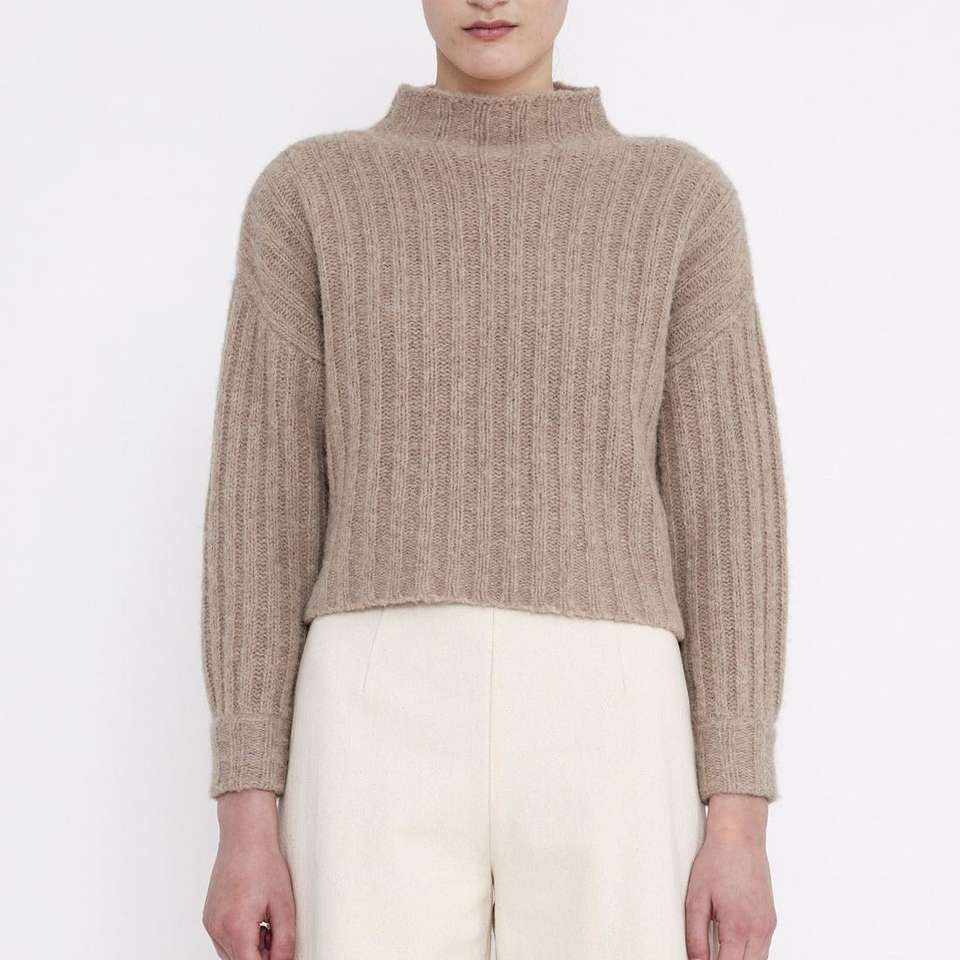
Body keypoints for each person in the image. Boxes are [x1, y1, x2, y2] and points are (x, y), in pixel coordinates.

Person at [199, 1, 788, 958]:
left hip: (613, 713)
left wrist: (739, 821)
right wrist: (244, 817)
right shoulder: (311, 194)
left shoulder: (678, 200)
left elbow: (730, 517)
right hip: (372, 712)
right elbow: (259, 512)